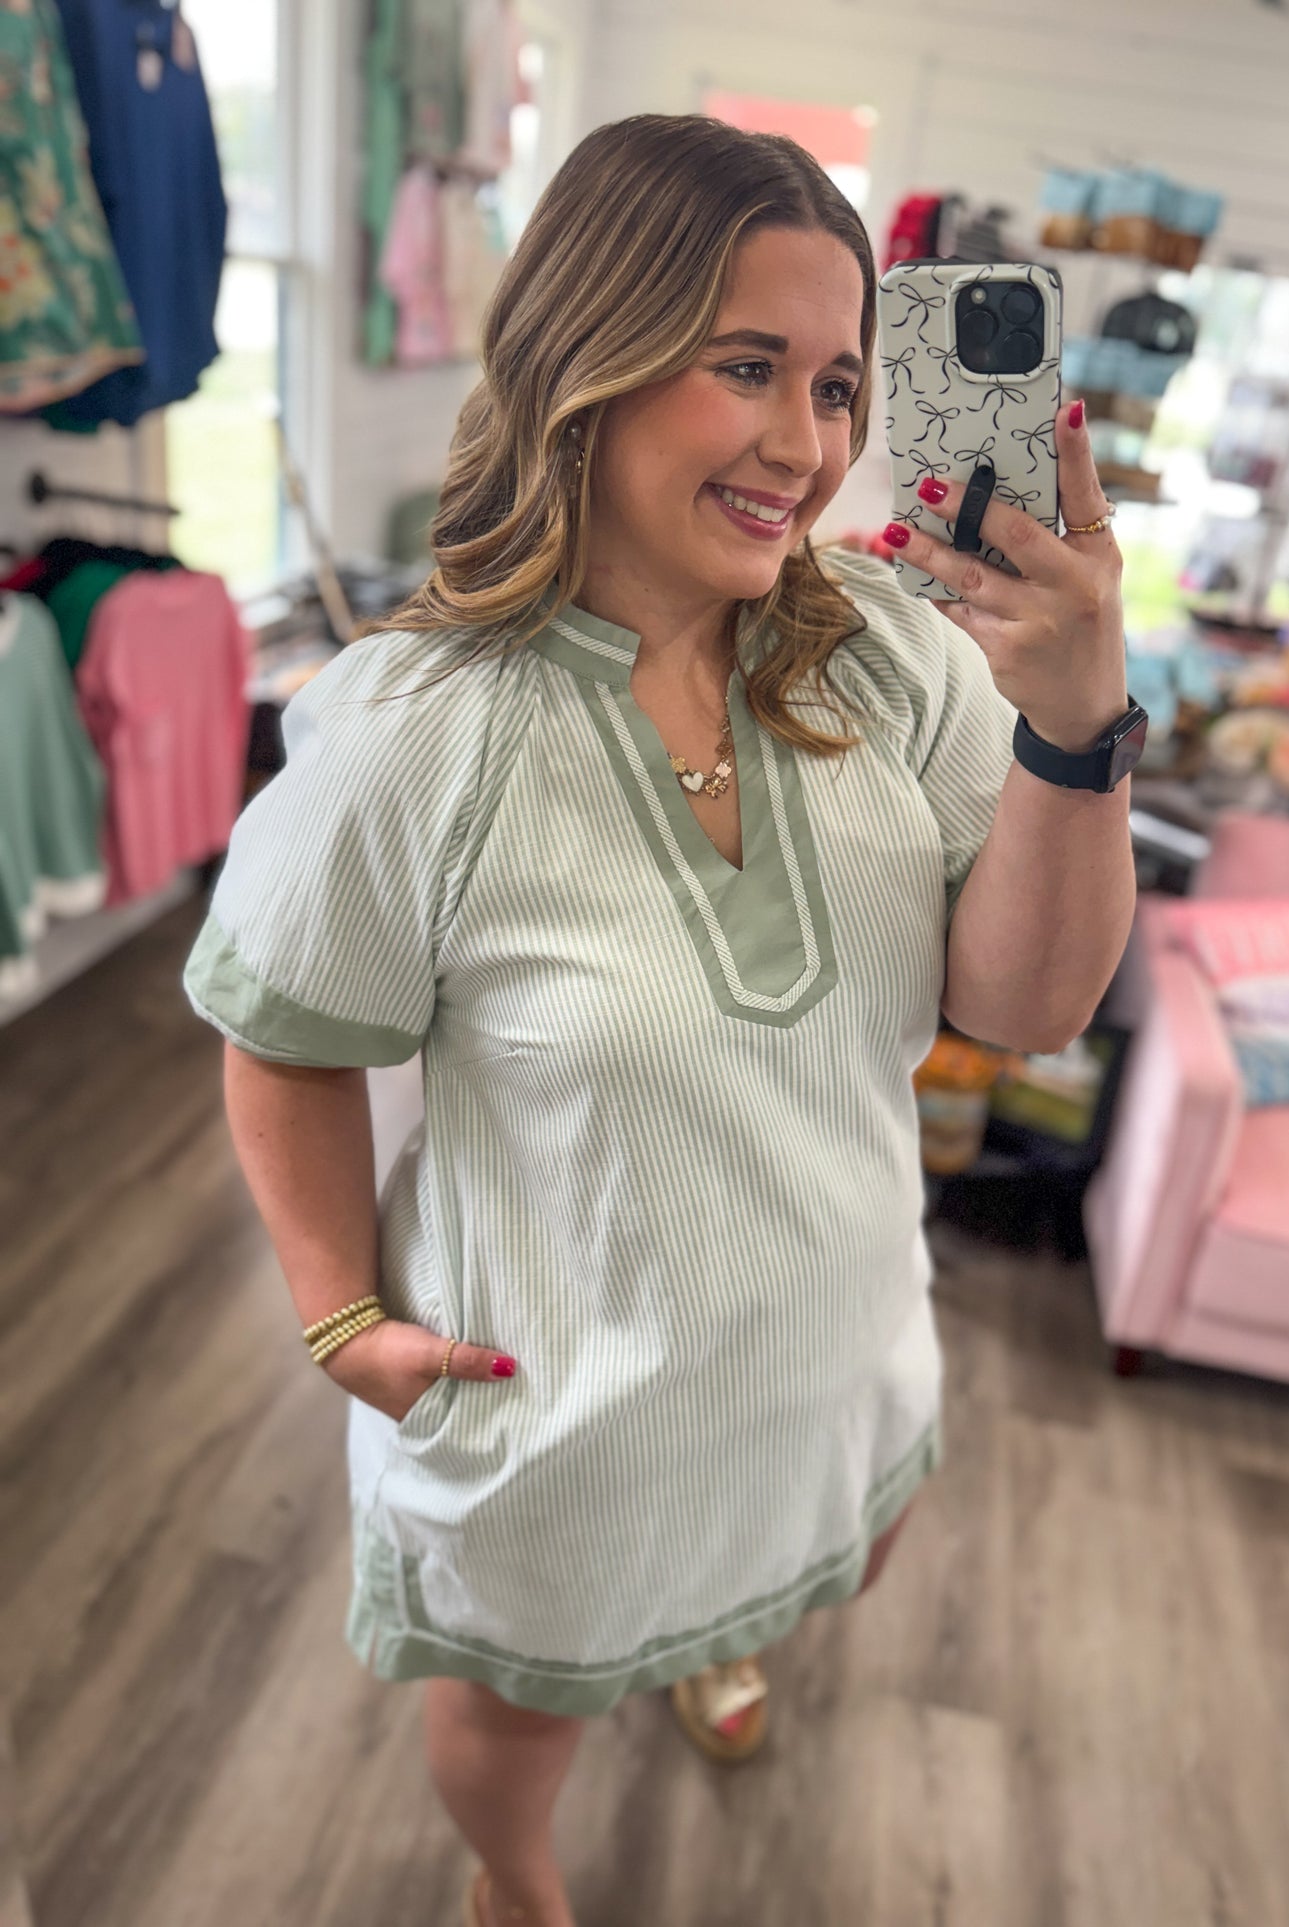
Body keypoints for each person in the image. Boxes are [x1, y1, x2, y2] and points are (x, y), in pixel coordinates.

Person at [183, 114, 1137, 1927]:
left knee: (803, 1580)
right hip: (561, 1405)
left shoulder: (893, 653)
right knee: (522, 1713)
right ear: (588, 353)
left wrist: (1074, 723)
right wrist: (333, 1317)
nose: (809, 444)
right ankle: (518, 1888)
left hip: (824, 1355)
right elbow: (289, 1037)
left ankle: (711, 1640)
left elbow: (1020, 1005)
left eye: (844, 382)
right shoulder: (415, 734)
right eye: (747, 368)